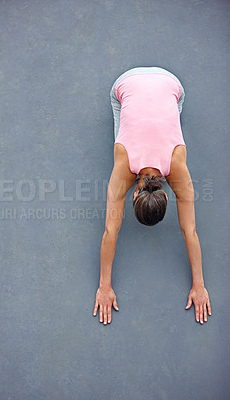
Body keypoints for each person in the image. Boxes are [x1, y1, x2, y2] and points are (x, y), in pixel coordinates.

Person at [93, 66, 211, 326]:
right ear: (135, 192)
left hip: (170, 84)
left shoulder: (175, 167)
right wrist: (198, 286)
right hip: (130, 85)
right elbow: (189, 231)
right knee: (122, 137)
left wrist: (105, 286)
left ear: (165, 196)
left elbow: (110, 232)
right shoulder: (124, 166)